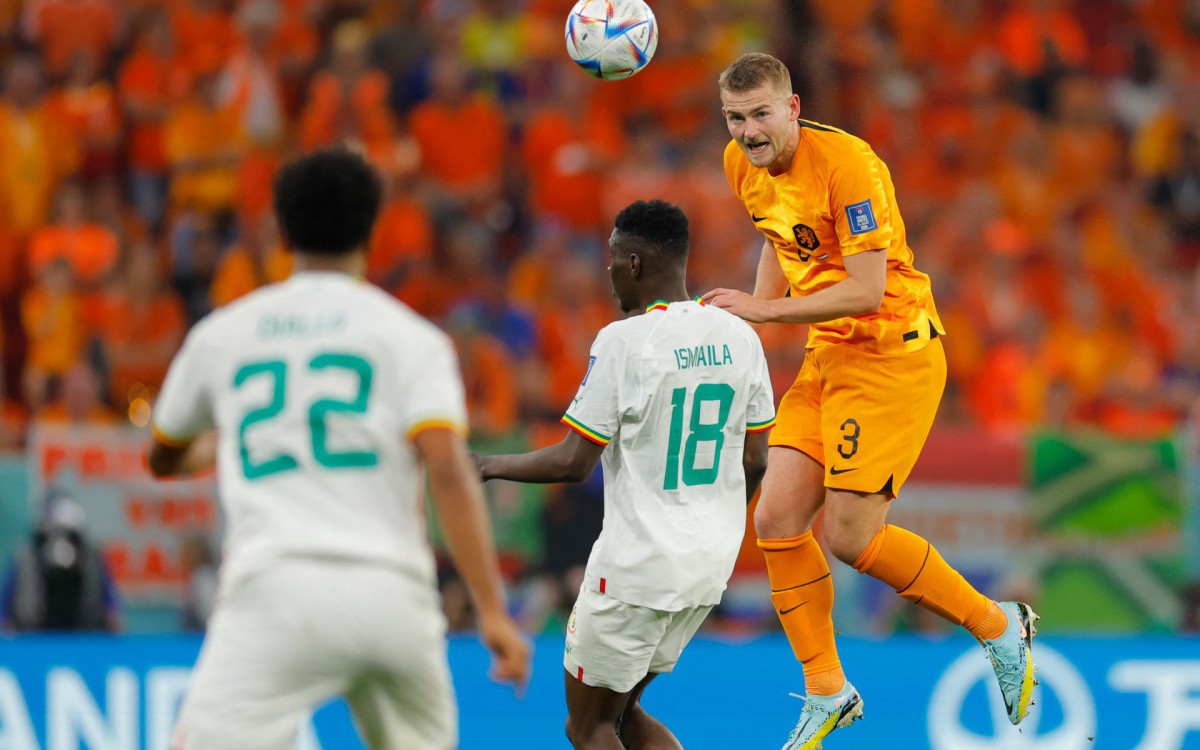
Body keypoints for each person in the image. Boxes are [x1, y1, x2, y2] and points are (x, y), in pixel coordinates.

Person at [705, 53, 1039, 749]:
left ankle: (999, 625)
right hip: (828, 353)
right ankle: (827, 689)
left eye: (761, 114)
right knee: (775, 518)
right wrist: (756, 318)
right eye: (736, 118)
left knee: (851, 538)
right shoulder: (741, 164)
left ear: (792, 108)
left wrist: (764, 314)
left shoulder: (849, 166)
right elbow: (777, 238)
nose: (749, 131)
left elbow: (865, 289)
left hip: (891, 354)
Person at [147, 147, 529, 750]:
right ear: (372, 232)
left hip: (275, 592)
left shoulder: (224, 333)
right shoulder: (411, 338)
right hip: (393, 595)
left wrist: (234, 440)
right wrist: (491, 611)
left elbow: (163, 455)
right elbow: (449, 473)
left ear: (280, 232)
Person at [476, 199, 775, 750]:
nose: (609, 270)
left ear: (633, 262)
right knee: (622, 715)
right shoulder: (740, 336)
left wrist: (485, 465)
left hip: (638, 569)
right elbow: (756, 459)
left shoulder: (625, 340)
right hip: (707, 566)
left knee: (588, 726)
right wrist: (714, 519)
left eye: (613, 257)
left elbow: (574, 461)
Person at [0, 490, 121, 633]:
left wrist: (113, 612)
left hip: (84, 633)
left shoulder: (91, 555)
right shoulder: (25, 555)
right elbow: (8, 592)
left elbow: (107, 590)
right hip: (34, 634)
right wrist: (4, 619)